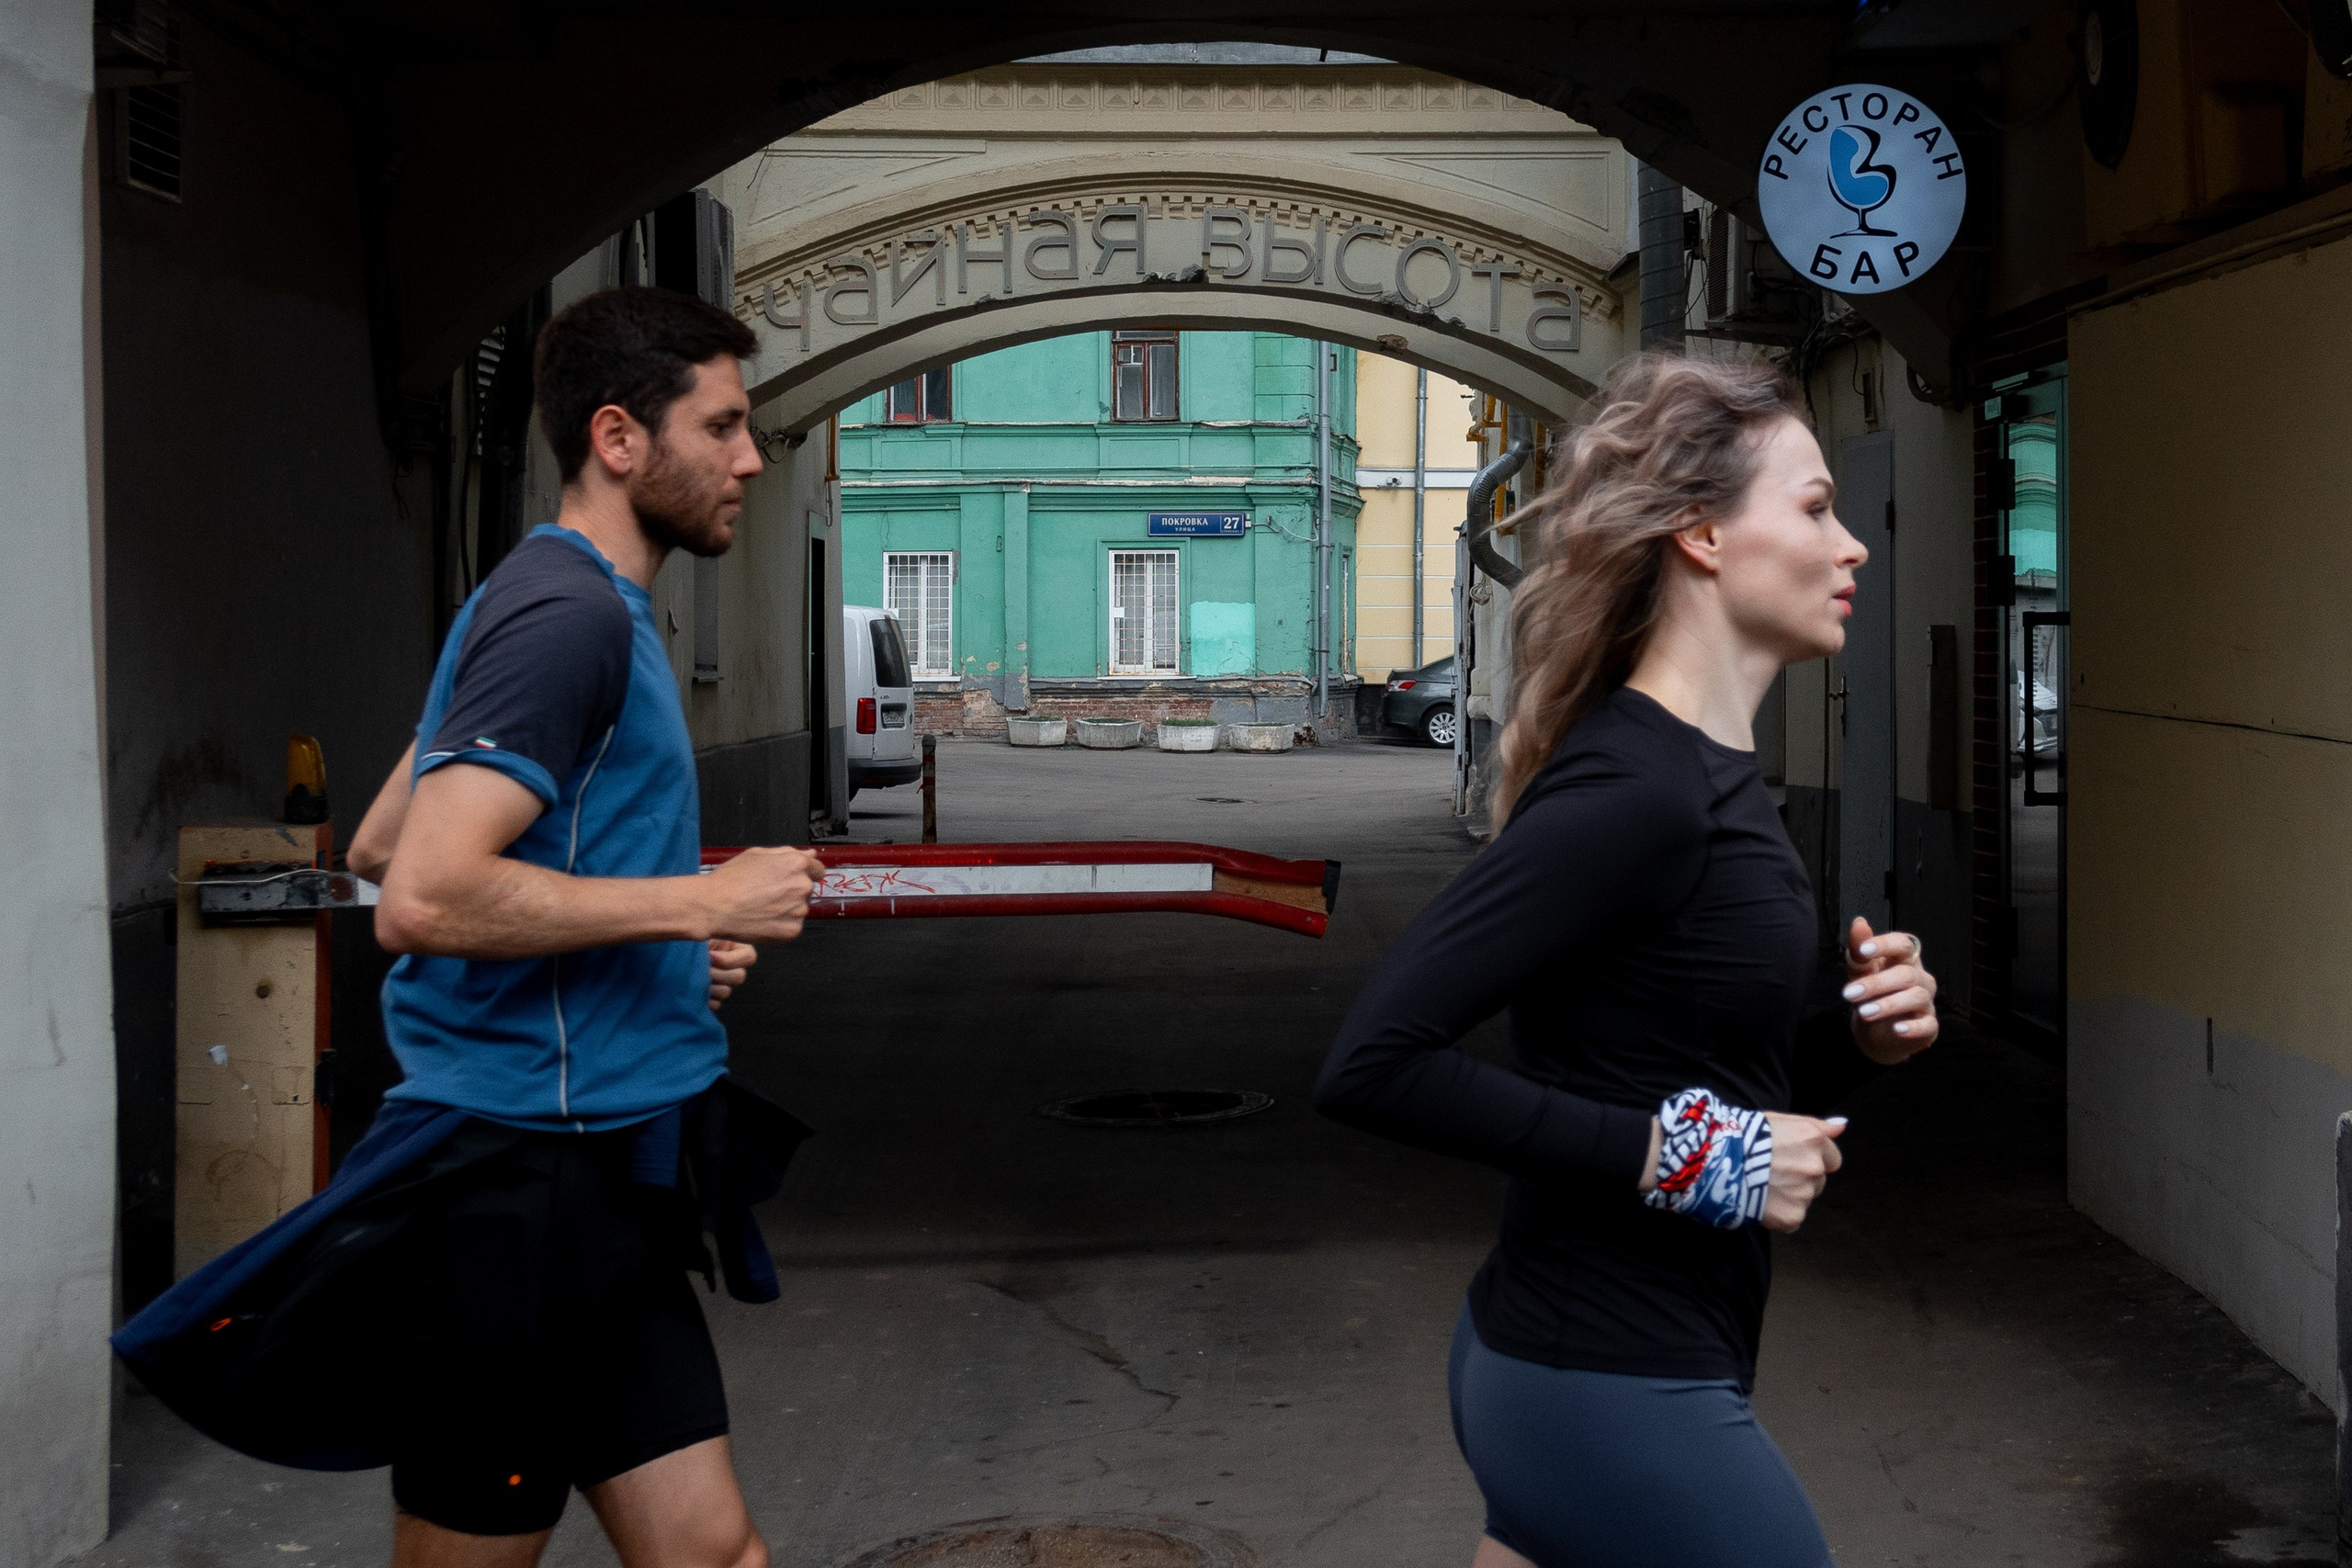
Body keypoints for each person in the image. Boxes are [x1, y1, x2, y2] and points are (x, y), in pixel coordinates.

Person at [115, 286, 823, 1568]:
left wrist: (656, 946)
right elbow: (425, 895)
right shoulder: (565, 619)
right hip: (512, 1188)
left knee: (715, 1554)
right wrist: (703, 902)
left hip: (601, 1171)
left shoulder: (553, 600)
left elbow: (385, 839)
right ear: (619, 438)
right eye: (721, 426)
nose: (750, 459)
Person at [1314, 354, 1939, 1568]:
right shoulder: (1638, 785)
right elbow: (1374, 1063)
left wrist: (1857, 1040)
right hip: (1603, 1382)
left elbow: (1696, 1069)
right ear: (1702, 534)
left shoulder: (1711, 779)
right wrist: (1699, 1159)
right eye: (1816, 508)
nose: (1852, 544)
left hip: (1608, 1366)